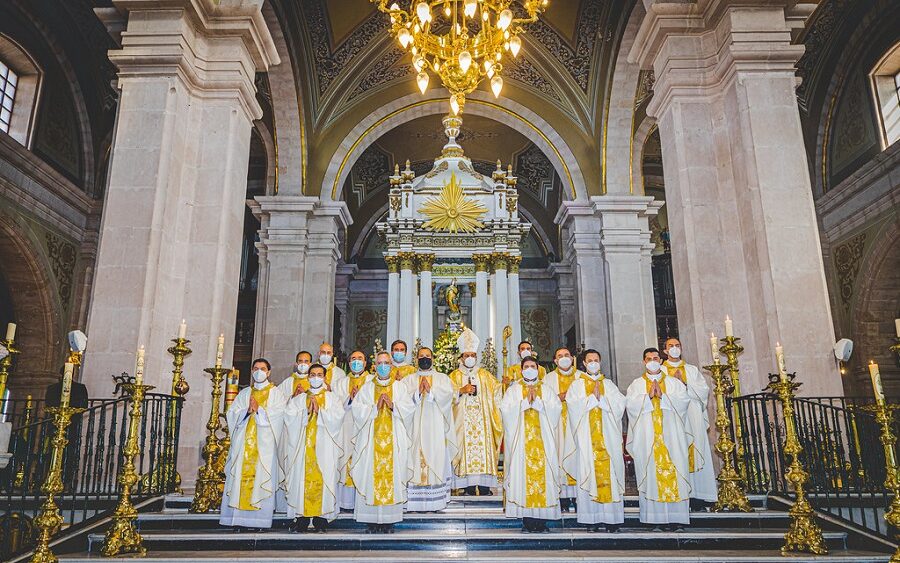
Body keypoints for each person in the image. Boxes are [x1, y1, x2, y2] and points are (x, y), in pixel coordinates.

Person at [350, 351, 416, 533]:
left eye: (386, 363)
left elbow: (410, 409)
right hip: (371, 441)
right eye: (380, 363)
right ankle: (371, 519)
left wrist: (394, 405)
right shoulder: (367, 387)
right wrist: (374, 407)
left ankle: (389, 520)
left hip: (393, 440)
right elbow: (357, 409)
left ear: (391, 366)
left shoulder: (400, 387)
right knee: (369, 474)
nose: (383, 366)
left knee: (393, 475)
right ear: (374, 365)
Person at [626, 348, 692, 529]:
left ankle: (676, 518)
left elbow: (684, 402)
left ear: (661, 361)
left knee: (676, 471)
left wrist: (663, 396)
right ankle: (653, 519)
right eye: (649, 359)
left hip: (671, 437)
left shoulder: (673, 383)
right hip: (648, 439)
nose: (652, 361)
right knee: (650, 475)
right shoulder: (636, 384)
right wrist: (646, 396)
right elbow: (630, 405)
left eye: (656, 358)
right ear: (643, 362)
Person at [563, 349, 627, 532]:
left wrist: (603, 400)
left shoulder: (609, 384)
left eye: (596, 360)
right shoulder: (577, 385)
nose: (593, 363)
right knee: (588, 473)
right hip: (586, 438)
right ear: (583, 363)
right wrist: (592, 399)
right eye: (590, 360)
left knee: (611, 473)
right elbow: (573, 406)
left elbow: (620, 405)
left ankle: (611, 520)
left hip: (608, 438)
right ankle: (591, 520)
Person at [220, 358, 287, 529]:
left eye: (263, 368)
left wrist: (260, 411)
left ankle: (259, 520)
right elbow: (232, 414)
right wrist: (246, 411)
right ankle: (238, 520)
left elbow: (279, 416)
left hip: (264, 447)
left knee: (261, 479)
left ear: (269, 372)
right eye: (256, 368)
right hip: (244, 444)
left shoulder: (276, 393)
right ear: (251, 371)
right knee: (239, 478)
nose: (259, 372)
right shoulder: (244, 393)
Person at [500, 357, 563, 533]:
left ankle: (542, 520)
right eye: (526, 367)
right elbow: (505, 410)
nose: (529, 369)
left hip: (543, 442)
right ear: (521, 370)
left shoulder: (547, 389)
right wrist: (525, 403)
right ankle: (527, 520)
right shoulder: (513, 390)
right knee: (522, 477)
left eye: (532, 366)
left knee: (545, 476)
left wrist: (538, 403)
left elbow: (556, 409)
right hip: (521, 443)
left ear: (538, 369)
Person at [282, 364, 344, 533]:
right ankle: (301, 518)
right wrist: (305, 413)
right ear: (308, 377)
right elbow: (289, 418)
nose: (316, 377)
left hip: (324, 448)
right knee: (300, 479)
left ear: (324, 378)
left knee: (324, 478)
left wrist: (321, 412)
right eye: (312, 374)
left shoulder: (333, 398)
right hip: (303, 448)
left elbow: (338, 418)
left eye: (319, 374)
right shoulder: (298, 400)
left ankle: (320, 519)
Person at [401, 346, 457, 512]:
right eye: (421, 356)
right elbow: (402, 403)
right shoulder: (408, 380)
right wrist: (417, 393)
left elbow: (449, 397)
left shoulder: (442, 379)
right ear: (416, 359)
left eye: (427, 356)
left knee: (436, 458)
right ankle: (414, 502)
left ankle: (435, 502)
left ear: (433, 359)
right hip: (414, 430)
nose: (424, 358)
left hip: (435, 430)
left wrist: (431, 392)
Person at [662, 337, 716, 507]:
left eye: (677, 345)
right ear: (665, 351)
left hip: (692, 416)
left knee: (696, 446)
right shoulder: (661, 370)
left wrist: (685, 384)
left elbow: (702, 391)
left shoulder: (691, 370)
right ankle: (679, 491)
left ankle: (698, 493)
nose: (674, 348)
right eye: (670, 346)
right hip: (672, 418)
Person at [448, 328, 502, 496]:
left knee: (483, 449)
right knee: (463, 450)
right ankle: (467, 486)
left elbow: (497, 394)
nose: (470, 358)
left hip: (482, 422)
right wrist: (460, 390)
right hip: (462, 423)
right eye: (467, 355)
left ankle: (484, 487)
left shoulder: (485, 375)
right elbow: (446, 397)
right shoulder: (453, 376)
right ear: (461, 357)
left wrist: (506, 387)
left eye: (472, 355)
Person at [331, 349, 373, 510]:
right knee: (345, 461)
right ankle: (346, 502)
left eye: (360, 359)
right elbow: (334, 405)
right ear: (349, 363)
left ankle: (362, 501)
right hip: (346, 427)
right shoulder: (340, 383)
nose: (356, 361)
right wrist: (349, 399)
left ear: (365, 363)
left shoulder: (372, 381)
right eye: (353, 359)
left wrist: (360, 401)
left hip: (365, 428)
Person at [544, 347, 583, 511]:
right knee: (559, 457)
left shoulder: (582, 377)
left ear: (572, 358)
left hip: (578, 426)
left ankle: (580, 498)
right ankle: (564, 499)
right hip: (558, 426)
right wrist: (557, 398)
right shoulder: (548, 379)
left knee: (579, 457)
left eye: (567, 355)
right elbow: (544, 401)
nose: (564, 358)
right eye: (560, 356)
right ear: (555, 361)